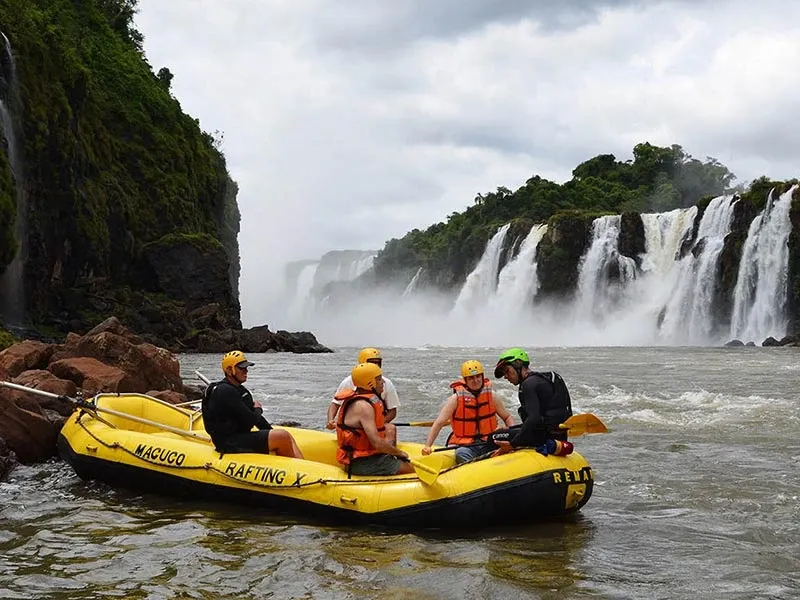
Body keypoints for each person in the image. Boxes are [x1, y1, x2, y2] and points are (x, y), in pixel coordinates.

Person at [202, 350, 304, 459]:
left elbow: (257, 420)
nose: (246, 371)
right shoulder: (224, 391)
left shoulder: (240, 391)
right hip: (228, 443)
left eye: (246, 368)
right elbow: (251, 420)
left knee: (285, 436)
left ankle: (305, 466)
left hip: (238, 437)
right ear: (229, 370)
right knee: (282, 436)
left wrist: (271, 433)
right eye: (241, 368)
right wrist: (258, 409)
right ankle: (296, 470)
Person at [421, 360, 515, 464]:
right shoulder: (455, 399)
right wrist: (428, 446)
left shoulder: (491, 395)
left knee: (505, 451)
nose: (476, 380)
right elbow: (439, 423)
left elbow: (507, 417)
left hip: (488, 441)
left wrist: (513, 439)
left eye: (478, 376)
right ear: (465, 380)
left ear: (482, 377)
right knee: (461, 454)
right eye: (471, 378)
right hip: (465, 446)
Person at [335, 362, 415, 476]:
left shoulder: (365, 401)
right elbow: (377, 443)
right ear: (369, 383)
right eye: (378, 379)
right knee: (414, 470)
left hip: (369, 458)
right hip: (363, 463)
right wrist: (400, 453)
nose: (382, 382)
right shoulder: (363, 407)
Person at [492, 347, 574, 455]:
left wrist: (512, 444)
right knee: (506, 431)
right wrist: (512, 428)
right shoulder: (545, 379)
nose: (506, 376)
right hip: (560, 436)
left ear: (518, 364)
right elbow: (542, 420)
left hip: (542, 438)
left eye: (507, 371)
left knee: (494, 437)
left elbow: (534, 420)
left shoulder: (528, 385)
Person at [326, 347, 400, 445]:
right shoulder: (348, 382)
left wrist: (375, 425)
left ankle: (389, 454)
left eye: (378, 363)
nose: (376, 365)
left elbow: (392, 411)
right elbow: (335, 404)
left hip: (376, 423)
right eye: (373, 362)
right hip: (353, 425)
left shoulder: (385, 383)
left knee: (391, 428)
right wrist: (331, 420)